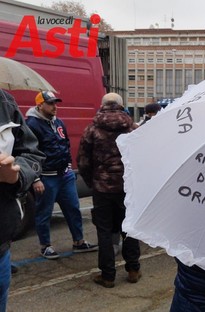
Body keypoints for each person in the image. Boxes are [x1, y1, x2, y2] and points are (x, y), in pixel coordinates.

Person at [77, 92, 141, 288]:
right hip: (127, 187)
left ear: (102, 105)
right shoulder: (133, 128)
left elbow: (83, 161)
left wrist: (93, 181)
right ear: (121, 106)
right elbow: (142, 157)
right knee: (129, 228)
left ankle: (108, 275)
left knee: (104, 232)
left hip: (102, 188)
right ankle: (133, 269)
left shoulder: (92, 130)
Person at [25, 91, 97, 259]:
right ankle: (45, 245)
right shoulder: (32, 125)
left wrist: (69, 166)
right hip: (46, 177)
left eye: (55, 103)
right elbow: (29, 152)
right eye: (50, 103)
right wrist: (35, 178)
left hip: (65, 176)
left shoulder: (59, 122)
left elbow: (64, 144)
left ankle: (78, 241)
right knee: (44, 212)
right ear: (40, 105)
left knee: (73, 208)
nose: (55, 106)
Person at [1, 89, 44, 312]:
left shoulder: (5, 101)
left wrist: (16, 175)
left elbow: (32, 153)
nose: (55, 106)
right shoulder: (37, 121)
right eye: (51, 103)